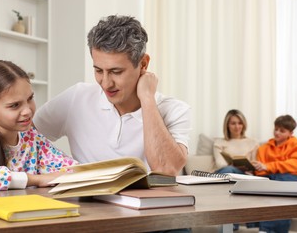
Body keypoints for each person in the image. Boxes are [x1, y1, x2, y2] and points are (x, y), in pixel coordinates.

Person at [33, 15, 191, 176]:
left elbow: (166, 170)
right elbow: (24, 138)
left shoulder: (175, 110)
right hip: (87, 200)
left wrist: (147, 99)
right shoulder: (76, 98)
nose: (106, 83)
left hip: (147, 201)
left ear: (143, 64)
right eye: (99, 70)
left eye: (116, 72)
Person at [0, 60, 78, 191]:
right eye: (14, 105)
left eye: (30, 98)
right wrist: (36, 179)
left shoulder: (31, 137)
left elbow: (71, 169)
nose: (27, 111)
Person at [251, 114, 297, 233]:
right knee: (263, 185)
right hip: (270, 177)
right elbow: (260, 170)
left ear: (290, 133)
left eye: (282, 131)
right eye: (276, 129)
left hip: (290, 177)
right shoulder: (264, 148)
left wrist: (269, 166)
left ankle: (266, 229)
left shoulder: (295, 145)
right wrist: (258, 169)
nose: (277, 133)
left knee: (282, 189)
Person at [213, 109, 259, 174]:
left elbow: (255, 165)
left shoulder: (253, 142)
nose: (237, 127)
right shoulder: (219, 142)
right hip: (224, 172)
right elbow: (220, 164)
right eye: (233, 123)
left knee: (230, 170)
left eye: (240, 123)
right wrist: (234, 166)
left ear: (244, 124)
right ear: (227, 125)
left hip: (244, 175)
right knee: (229, 169)